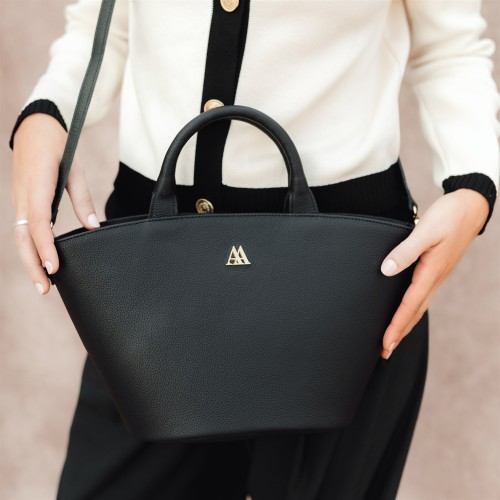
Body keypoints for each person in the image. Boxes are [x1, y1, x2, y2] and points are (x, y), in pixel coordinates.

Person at [9, 0, 499, 499]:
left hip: (345, 280)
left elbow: (449, 49)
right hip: (148, 268)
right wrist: (47, 113)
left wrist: (473, 187)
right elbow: (103, 27)